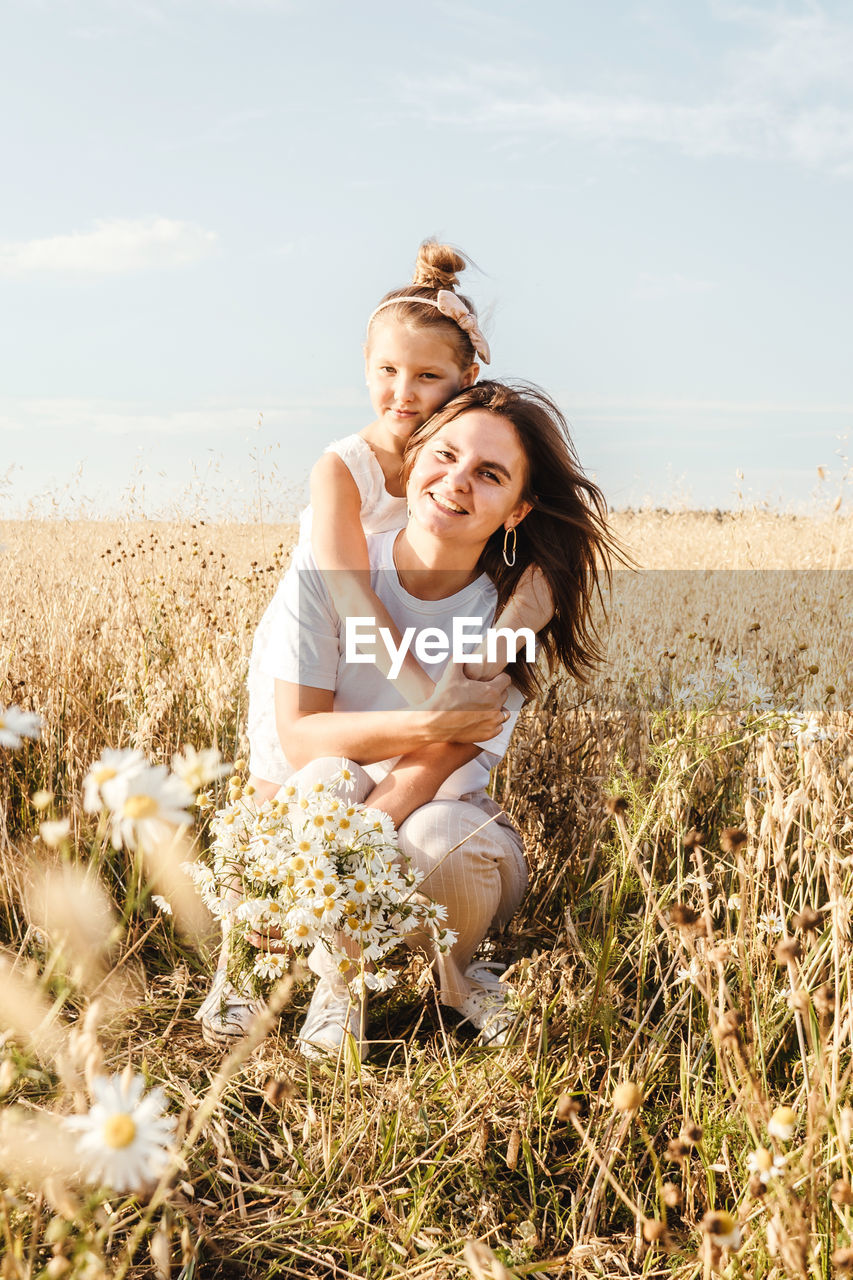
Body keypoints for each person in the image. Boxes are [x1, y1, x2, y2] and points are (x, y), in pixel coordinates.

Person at [199, 380, 614, 1057]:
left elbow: (427, 775)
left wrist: (345, 850)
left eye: (488, 475)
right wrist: (427, 722)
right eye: (444, 455)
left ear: (516, 510)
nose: (456, 481)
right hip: (317, 806)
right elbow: (300, 735)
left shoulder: (512, 614)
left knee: (442, 832)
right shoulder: (331, 571)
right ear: (414, 455)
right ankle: (300, 970)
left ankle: (438, 977)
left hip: (435, 836)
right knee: (326, 776)